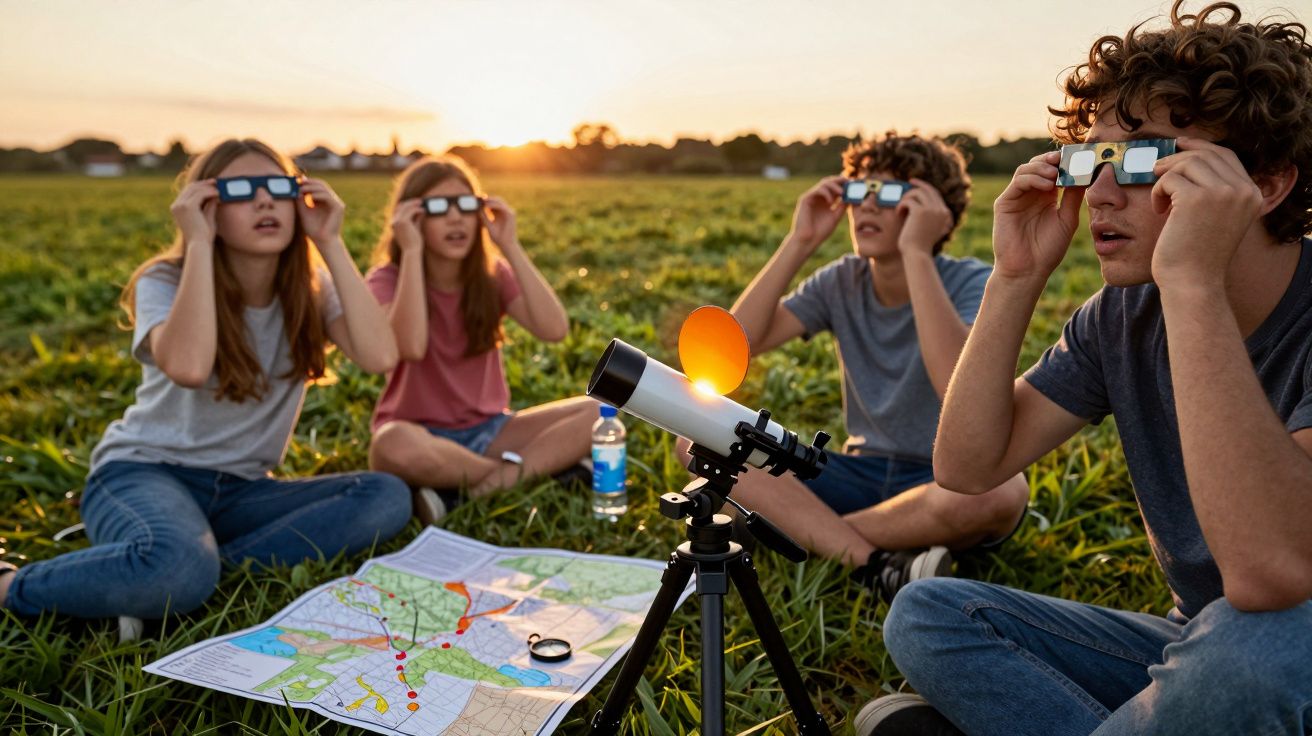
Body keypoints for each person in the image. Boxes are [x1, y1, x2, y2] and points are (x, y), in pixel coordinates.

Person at [856, 3, 1312, 734]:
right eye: (1086, 163)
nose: (1098, 194)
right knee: (930, 613)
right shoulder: (1123, 316)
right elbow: (968, 466)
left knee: (1257, 649)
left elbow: (1271, 577)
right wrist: (1014, 277)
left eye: (1139, 161)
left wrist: (1193, 284)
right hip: (1195, 646)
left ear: (1265, 184)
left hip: (1281, 644)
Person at [0, 138, 411, 623]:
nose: (265, 201)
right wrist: (197, 242)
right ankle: (13, 584)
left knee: (384, 496)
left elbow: (381, 356)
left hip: (242, 488)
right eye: (241, 190)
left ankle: (182, 567)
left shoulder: (310, 291)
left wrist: (329, 241)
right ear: (205, 205)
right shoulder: (166, 281)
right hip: (144, 473)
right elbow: (190, 367)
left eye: (279, 188)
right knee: (178, 567)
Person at [706, 132, 1029, 596]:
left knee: (1005, 492)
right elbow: (727, 354)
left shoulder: (971, 281)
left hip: (943, 479)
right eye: (858, 192)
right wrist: (800, 241)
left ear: (936, 212)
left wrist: (918, 252)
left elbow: (954, 387)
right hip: (857, 473)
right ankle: (874, 559)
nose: (868, 207)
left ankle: (800, 534)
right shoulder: (842, 280)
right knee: (703, 430)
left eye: (892, 194)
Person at [366, 156, 595, 524]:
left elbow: (554, 330)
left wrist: (510, 245)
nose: (456, 218)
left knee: (598, 413)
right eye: (439, 207)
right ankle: (544, 472)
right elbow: (411, 346)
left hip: (491, 430)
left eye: (467, 205)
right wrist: (410, 251)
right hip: (418, 434)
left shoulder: (492, 276)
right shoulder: (387, 279)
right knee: (389, 444)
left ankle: (467, 494)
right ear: (410, 217)